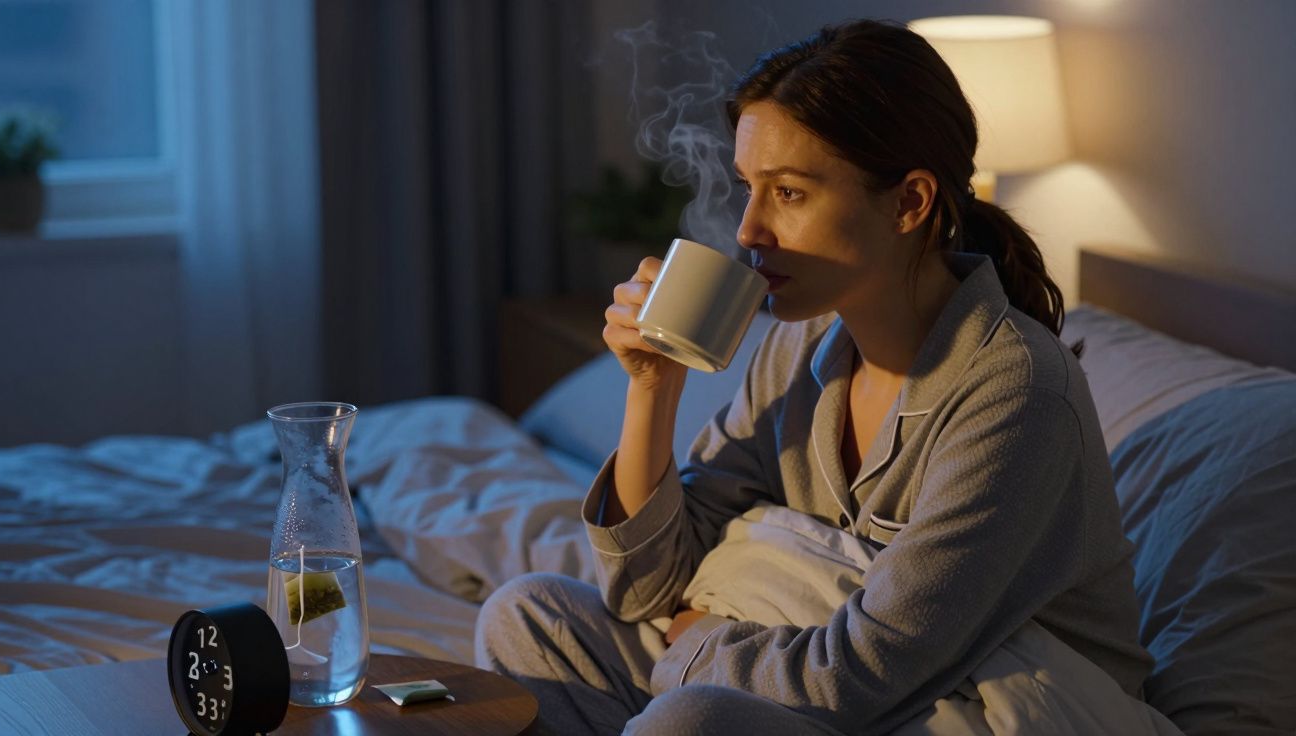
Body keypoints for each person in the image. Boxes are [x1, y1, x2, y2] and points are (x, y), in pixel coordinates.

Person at [476, 19, 1152, 735]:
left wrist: (697, 641)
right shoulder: (797, 347)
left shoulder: (1015, 395)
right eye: (747, 188)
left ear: (909, 203)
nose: (748, 230)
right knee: (530, 617)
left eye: (790, 194)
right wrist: (652, 386)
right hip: (807, 672)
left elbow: (860, 677)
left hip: (979, 706)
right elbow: (650, 587)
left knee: (689, 720)